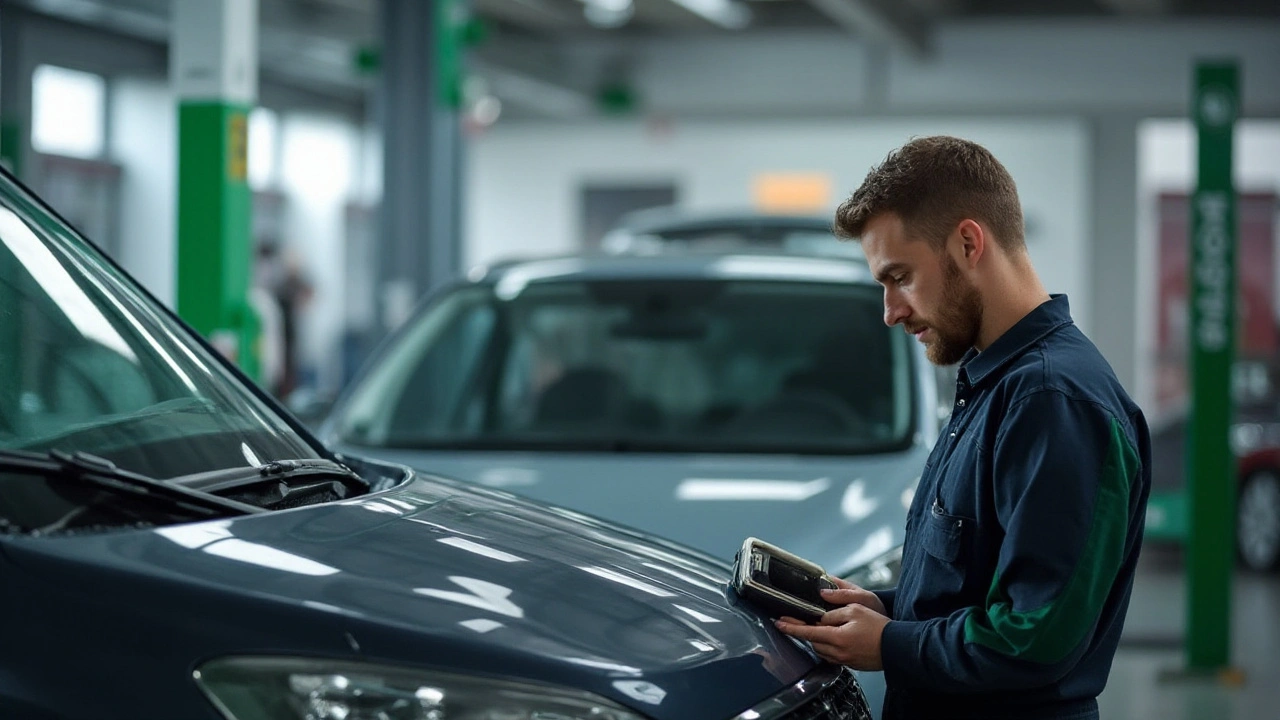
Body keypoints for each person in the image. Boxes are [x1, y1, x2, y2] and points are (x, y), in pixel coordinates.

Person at [774, 136, 1151, 720]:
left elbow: (1036, 634)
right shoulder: (994, 384)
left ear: (969, 242)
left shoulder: (1053, 401)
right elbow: (979, 584)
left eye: (900, 276)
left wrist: (889, 644)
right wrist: (884, 608)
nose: (890, 311)